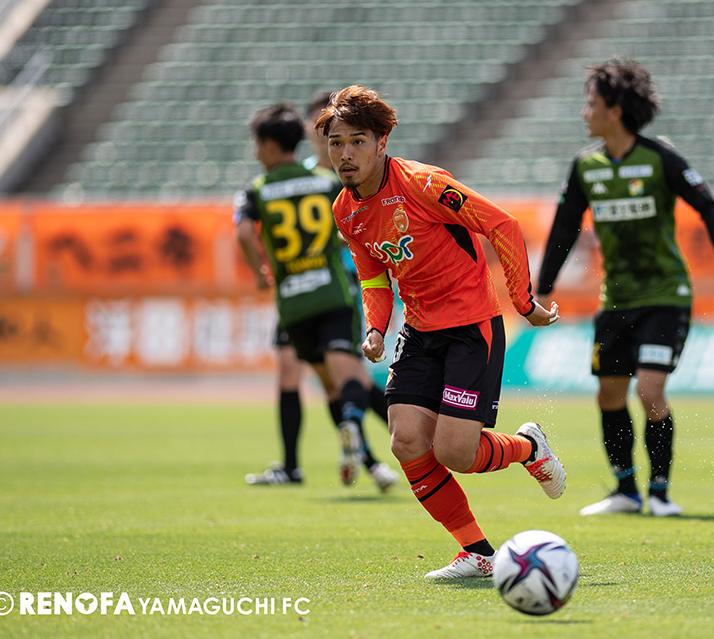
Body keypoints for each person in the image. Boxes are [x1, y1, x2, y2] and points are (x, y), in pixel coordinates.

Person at [318, 85, 565, 580]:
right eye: (336, 142)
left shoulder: (425, 184)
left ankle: (528, 447)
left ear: (382, 142)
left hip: (471, 327)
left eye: (357, 142)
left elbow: (503, 226)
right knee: (406, 440)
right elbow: (373, 277)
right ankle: (477, 551)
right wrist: (375, 328)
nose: (345, 154)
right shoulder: (345, 210)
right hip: (419, 331)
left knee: (456, 453)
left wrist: (523, 303)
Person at [536, 58, 714, 518]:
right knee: (609, 396)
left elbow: (710, 209)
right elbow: (564, 228)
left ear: (614, 110)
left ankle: (661, 493)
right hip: (616, 301)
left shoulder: (659, 158)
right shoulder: (586, 166)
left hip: (665, 298)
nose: (584, 112)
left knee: (650, 392)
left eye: (591, 104)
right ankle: (626, 491)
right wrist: (542, 288)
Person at [234, 101, 398, 492]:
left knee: (328, 384)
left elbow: (242, 233)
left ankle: (356, 453)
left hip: (293, 300)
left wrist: (260, 273)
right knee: (351, 377)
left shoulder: (259, 190)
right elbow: (352, 222)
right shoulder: (326, 183)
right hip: (332, 291)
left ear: (269, 144)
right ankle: (358, 433)